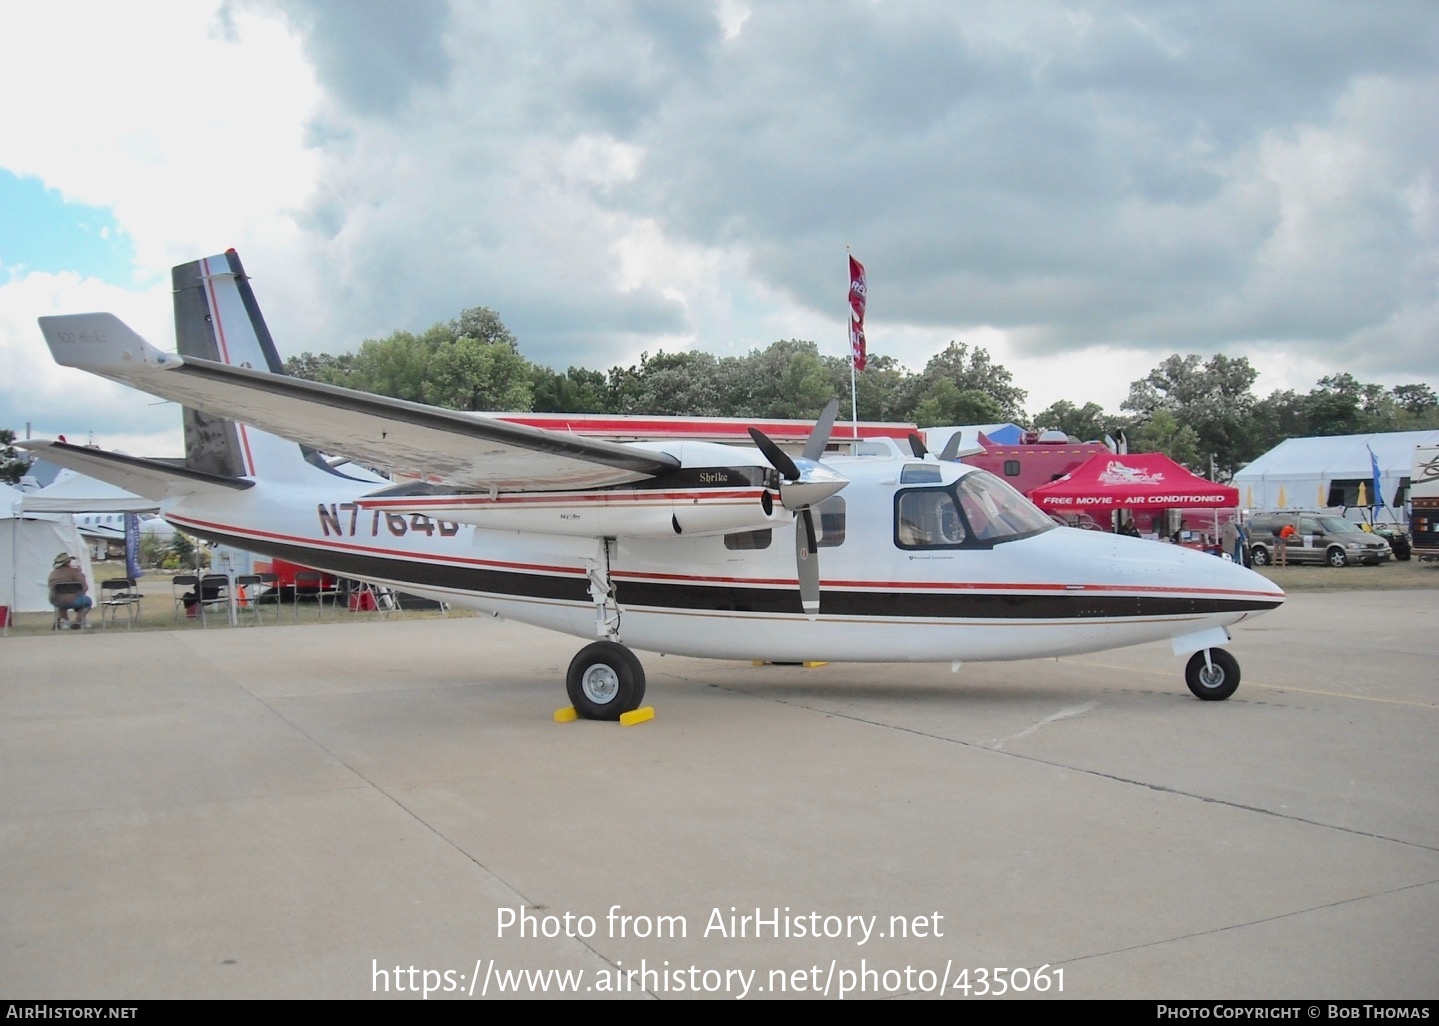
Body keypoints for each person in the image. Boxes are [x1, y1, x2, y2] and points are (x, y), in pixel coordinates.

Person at [47, 552, 93, 629]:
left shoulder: (53, 574)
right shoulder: (74, 572)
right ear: (68, 562)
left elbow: (51, 588)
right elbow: (84, 587)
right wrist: (80, 573)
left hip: (56, 600)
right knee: (87, 602)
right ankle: (77, 621)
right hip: (74, 600)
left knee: (61, 604)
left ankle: (66, 621)